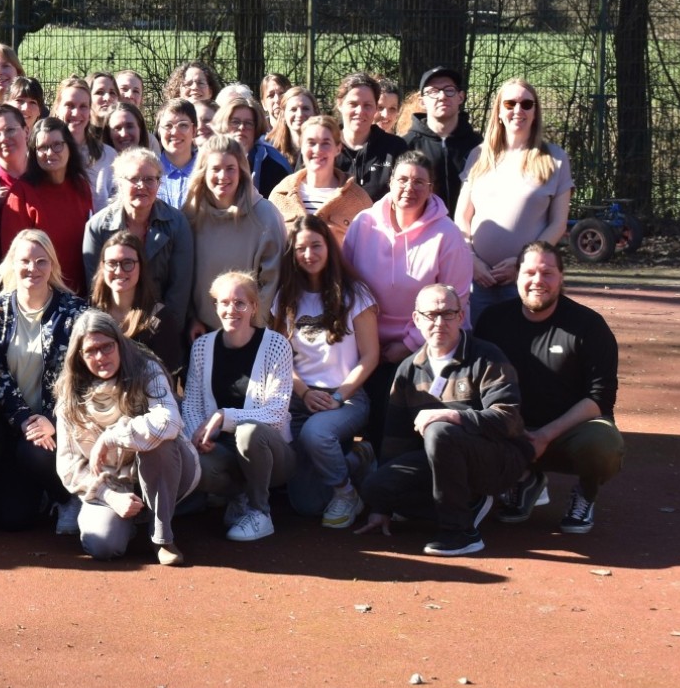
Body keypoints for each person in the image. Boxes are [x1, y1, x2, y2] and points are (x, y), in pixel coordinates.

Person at [357, 284, 532, 556]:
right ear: (416, 320)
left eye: (448, 314)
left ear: (461, 317)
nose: (439, 322)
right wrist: (382, 506)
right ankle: (470, 501)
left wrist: (453, 415)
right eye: (430, 315)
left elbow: (508, 419)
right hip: (440, 461)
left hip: (498, 457)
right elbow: (396, 441)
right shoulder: (407, 369)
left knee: (439, 431)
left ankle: (460, 531)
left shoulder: (486, 356)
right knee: (375, 488)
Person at [475, 242, 622, 534]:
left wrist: (544, 435)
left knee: (603, 446)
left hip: (568, 431)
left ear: (562, 277)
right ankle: (524, 479)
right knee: (460, 425)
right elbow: (475, 382)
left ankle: (586, 492)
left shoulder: (589, 326)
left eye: (548, 273)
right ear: (516, 276)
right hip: (511, 429)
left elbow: (600, 398)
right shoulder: (493, 321)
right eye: (529, 272)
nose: (538, 281)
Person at [343, 150, 472, 445]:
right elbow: (346, 284)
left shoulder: (447, 235)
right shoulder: (364, 224)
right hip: (364, 341)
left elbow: (457, 298)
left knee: (392, 409)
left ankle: (389, 473)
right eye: (402, 179)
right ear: (390, 183)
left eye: (419, 182)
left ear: (431, 189)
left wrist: (408, 344)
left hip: (420, 344)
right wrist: (363, 342)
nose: (409, 188)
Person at [54, 309, 198, 565]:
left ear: (119, 343)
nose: (101, 357)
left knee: (157, 443)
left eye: (107, 347)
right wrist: (109, 496)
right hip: (112, 483)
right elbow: (67, 465)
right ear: (79, 355)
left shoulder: (147, 368)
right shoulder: (69, 393)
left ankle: (161, 536)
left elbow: (170, 421)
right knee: (102, 545)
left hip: (165, 469)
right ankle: (131, 518)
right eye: (90, 351)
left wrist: (112, 436)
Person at [271, 215, 379, 527]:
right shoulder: (284, 298)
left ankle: (346, 493)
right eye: (301, 248)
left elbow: (371, 355)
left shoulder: (355, 294)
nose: (309, 254)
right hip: (300, 398)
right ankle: (357, 459)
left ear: (329, 248)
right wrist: (304, 392)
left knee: (316, 434)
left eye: (316, 246)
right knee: (307, 504)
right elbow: (279, 359)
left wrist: (338, 395)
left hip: (346, 398)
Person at [0, 230, 89, 534]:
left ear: (52, 266)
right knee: (10, 520)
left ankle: (65, 498)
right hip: (13, 427)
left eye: (42, 262)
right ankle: (39, 491)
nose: (33, 269)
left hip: (59, 428)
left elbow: (83, 378)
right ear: (12, 264)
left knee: (36, 452)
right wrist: (25, 419)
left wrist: (53, 419)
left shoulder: (75, 312)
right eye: (25, 261)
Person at [181, 272, 296, 543]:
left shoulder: (276, 345)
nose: (231, 310)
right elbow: (192, 404)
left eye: (240, 303)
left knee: (248, 432)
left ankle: (260, 513)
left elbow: (276, 415)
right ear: (216, 307)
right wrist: (199, 435)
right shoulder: (202, 347)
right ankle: (238, 497)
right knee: (193, 462)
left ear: (254, 307)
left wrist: (224, 416)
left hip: (273, 453)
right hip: (224, 450)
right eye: (224, 303)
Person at [455, 79, 573, 313]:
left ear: (535, 112)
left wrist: (523, 262)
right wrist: (472, 260)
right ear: (499, 111)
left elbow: (558, 223)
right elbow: (462, 218)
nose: (518, 110)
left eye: (526, 104)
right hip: (478, 280)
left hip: (527, 280)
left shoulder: (556, 159)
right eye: (510, 104)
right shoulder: (478, 156)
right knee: (479, 345)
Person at [181, 134, 284, 338]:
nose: (223, 176)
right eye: (216, 169)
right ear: (203, 172)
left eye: (230, 169)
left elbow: (271, 280)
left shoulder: (265, 215)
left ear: (242, 172)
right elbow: (183, 275)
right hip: (202, 333)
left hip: (250, 332)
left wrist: (252, 329)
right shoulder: (190, 215)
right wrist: (192, 317)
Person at [83, 148, 195, 322]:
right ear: (120, 183)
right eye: (134, 179)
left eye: (149, 179)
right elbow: (95, 288)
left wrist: (165, 331)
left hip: (160, 325)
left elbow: (179, 290)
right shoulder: (97, 227)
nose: (142, 185)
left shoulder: (177, 223)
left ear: (159, 183)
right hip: (112, 325)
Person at [0, 118, 94, 292]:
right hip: (40, 295)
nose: (50, 153)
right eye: (42, 148)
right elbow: (13, 257)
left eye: (57, 145)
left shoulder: (81, 187)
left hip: (80, 293)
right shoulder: (21, 193)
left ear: (69, 147)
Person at [89, 229, 185, 375]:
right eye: (112, 263)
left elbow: (166, 379)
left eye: (128, 263)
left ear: (141, 266)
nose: (119, 271)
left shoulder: (159, 319)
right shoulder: (89, 312)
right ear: (102, 267)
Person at [268, 115, 372, 246]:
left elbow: (368, 252)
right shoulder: (280, 195)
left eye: (325, 143)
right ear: (301, 145)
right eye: (311, 143)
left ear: (338, 148)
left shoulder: (358, 200)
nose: (318, 150)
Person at [405, 66, 482, 213]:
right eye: (433, 91)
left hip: (469, 232)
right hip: (422, 232)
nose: (442, 96)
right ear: (422, 102)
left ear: (461, 97)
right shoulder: (406, 145)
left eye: (449, 90)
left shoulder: (479, 146)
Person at [335, 72, 410, 202]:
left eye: (367, 105)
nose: (360, 111)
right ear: (340, 104)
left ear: (375, 108)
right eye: (353, 104)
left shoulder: (396, 148)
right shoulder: (322, 144)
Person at [213, 94, 290, 197]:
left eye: (248, 123)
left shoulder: (275, 167)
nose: (241, 127)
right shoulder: (210, 160)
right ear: (224, 125)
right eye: (235, 122)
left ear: (256, 129)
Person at [154, 97, 199, 208]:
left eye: (183, 125)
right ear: (159, 131)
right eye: (168, 126)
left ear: (194, 131)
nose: (174, 132)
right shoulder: (149, 173)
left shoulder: (206, 172)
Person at [264, 84, 316, 167]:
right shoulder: (269, 151)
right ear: (284, 114)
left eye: (305, 108)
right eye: (293, 109)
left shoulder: (323, 149)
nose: (300, 114)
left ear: (315, 113)